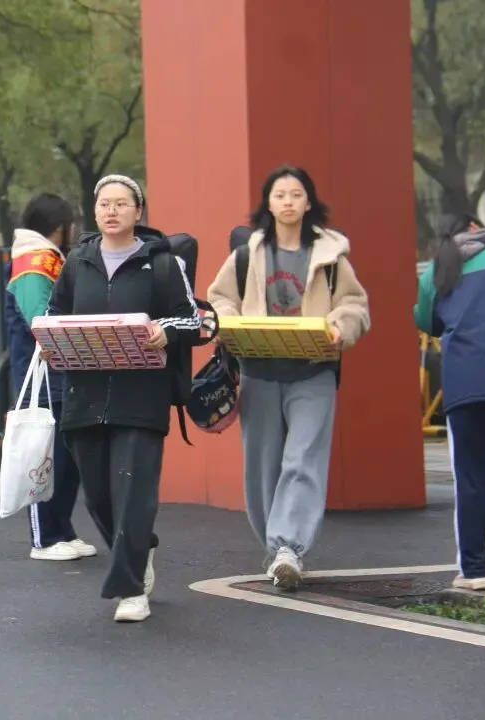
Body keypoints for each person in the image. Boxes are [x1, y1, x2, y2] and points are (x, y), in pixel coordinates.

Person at [206, 164, 370, 590]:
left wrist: (340, 325)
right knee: (262, 467)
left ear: (309, 202)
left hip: (313, 370)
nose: (288, 202)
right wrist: (230, 320)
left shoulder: (332, 256)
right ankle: (276, 547)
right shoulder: (247, 254)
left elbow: (355, 306)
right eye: (280, 195)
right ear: (268, 203)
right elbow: (219, 298)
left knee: (302, 460)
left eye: (296, 194)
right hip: (259, 369)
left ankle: (288, 547)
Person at [45, 174, 202, 622]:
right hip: (85, 397)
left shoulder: (164, 264)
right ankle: (138, 550)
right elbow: (56, 314)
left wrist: (164, 331)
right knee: (97, 495)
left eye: (121, 203)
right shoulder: (77, 262)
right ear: (94, 213)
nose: (111, 211)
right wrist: (49, 337)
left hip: (141, 398)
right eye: (104, 204)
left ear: (138, 211)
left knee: (133, 492)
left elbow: (194, 322)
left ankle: (131, 591)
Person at [414, 213, 485, 590]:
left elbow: (426, 321)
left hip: (466, 386)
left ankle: (474, 570)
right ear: (476, 227)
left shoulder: (438, 272)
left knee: (471, 479)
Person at [4, 193, 97, 562]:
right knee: (46, 456)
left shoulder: (45, 256)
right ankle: (43, 537)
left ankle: (63, 529)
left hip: (61, 370)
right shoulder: (33, 260)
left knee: (67, 456)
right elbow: (39, 316)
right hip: (42, 371)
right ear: (58, 227)